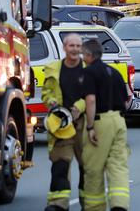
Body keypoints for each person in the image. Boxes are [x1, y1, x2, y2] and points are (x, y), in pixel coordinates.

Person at [81, 39, 130, 211]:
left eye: (83, 54)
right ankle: (119, 205)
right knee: (118, 166)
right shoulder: (114, 72)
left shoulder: (89, 73)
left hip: (101, 122)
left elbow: (91, 100)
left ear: (88, 55)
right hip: (119, 121)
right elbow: (127, 99)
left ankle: (95, 207)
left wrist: (89, 126)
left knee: (94, 168)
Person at [41, 34, 86, 211]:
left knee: (87, 167)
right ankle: (58, 204)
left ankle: (89, 204)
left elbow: (94, 95)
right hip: (61, 123)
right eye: (71, 45)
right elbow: (46, 93)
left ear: (81, 48)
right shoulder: (53, 69)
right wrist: (50, 101)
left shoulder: (88, 70)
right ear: (64, 47)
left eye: (78, 46)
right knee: (60, 164)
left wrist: (79, 107)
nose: (74, 49)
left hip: (83, 123)